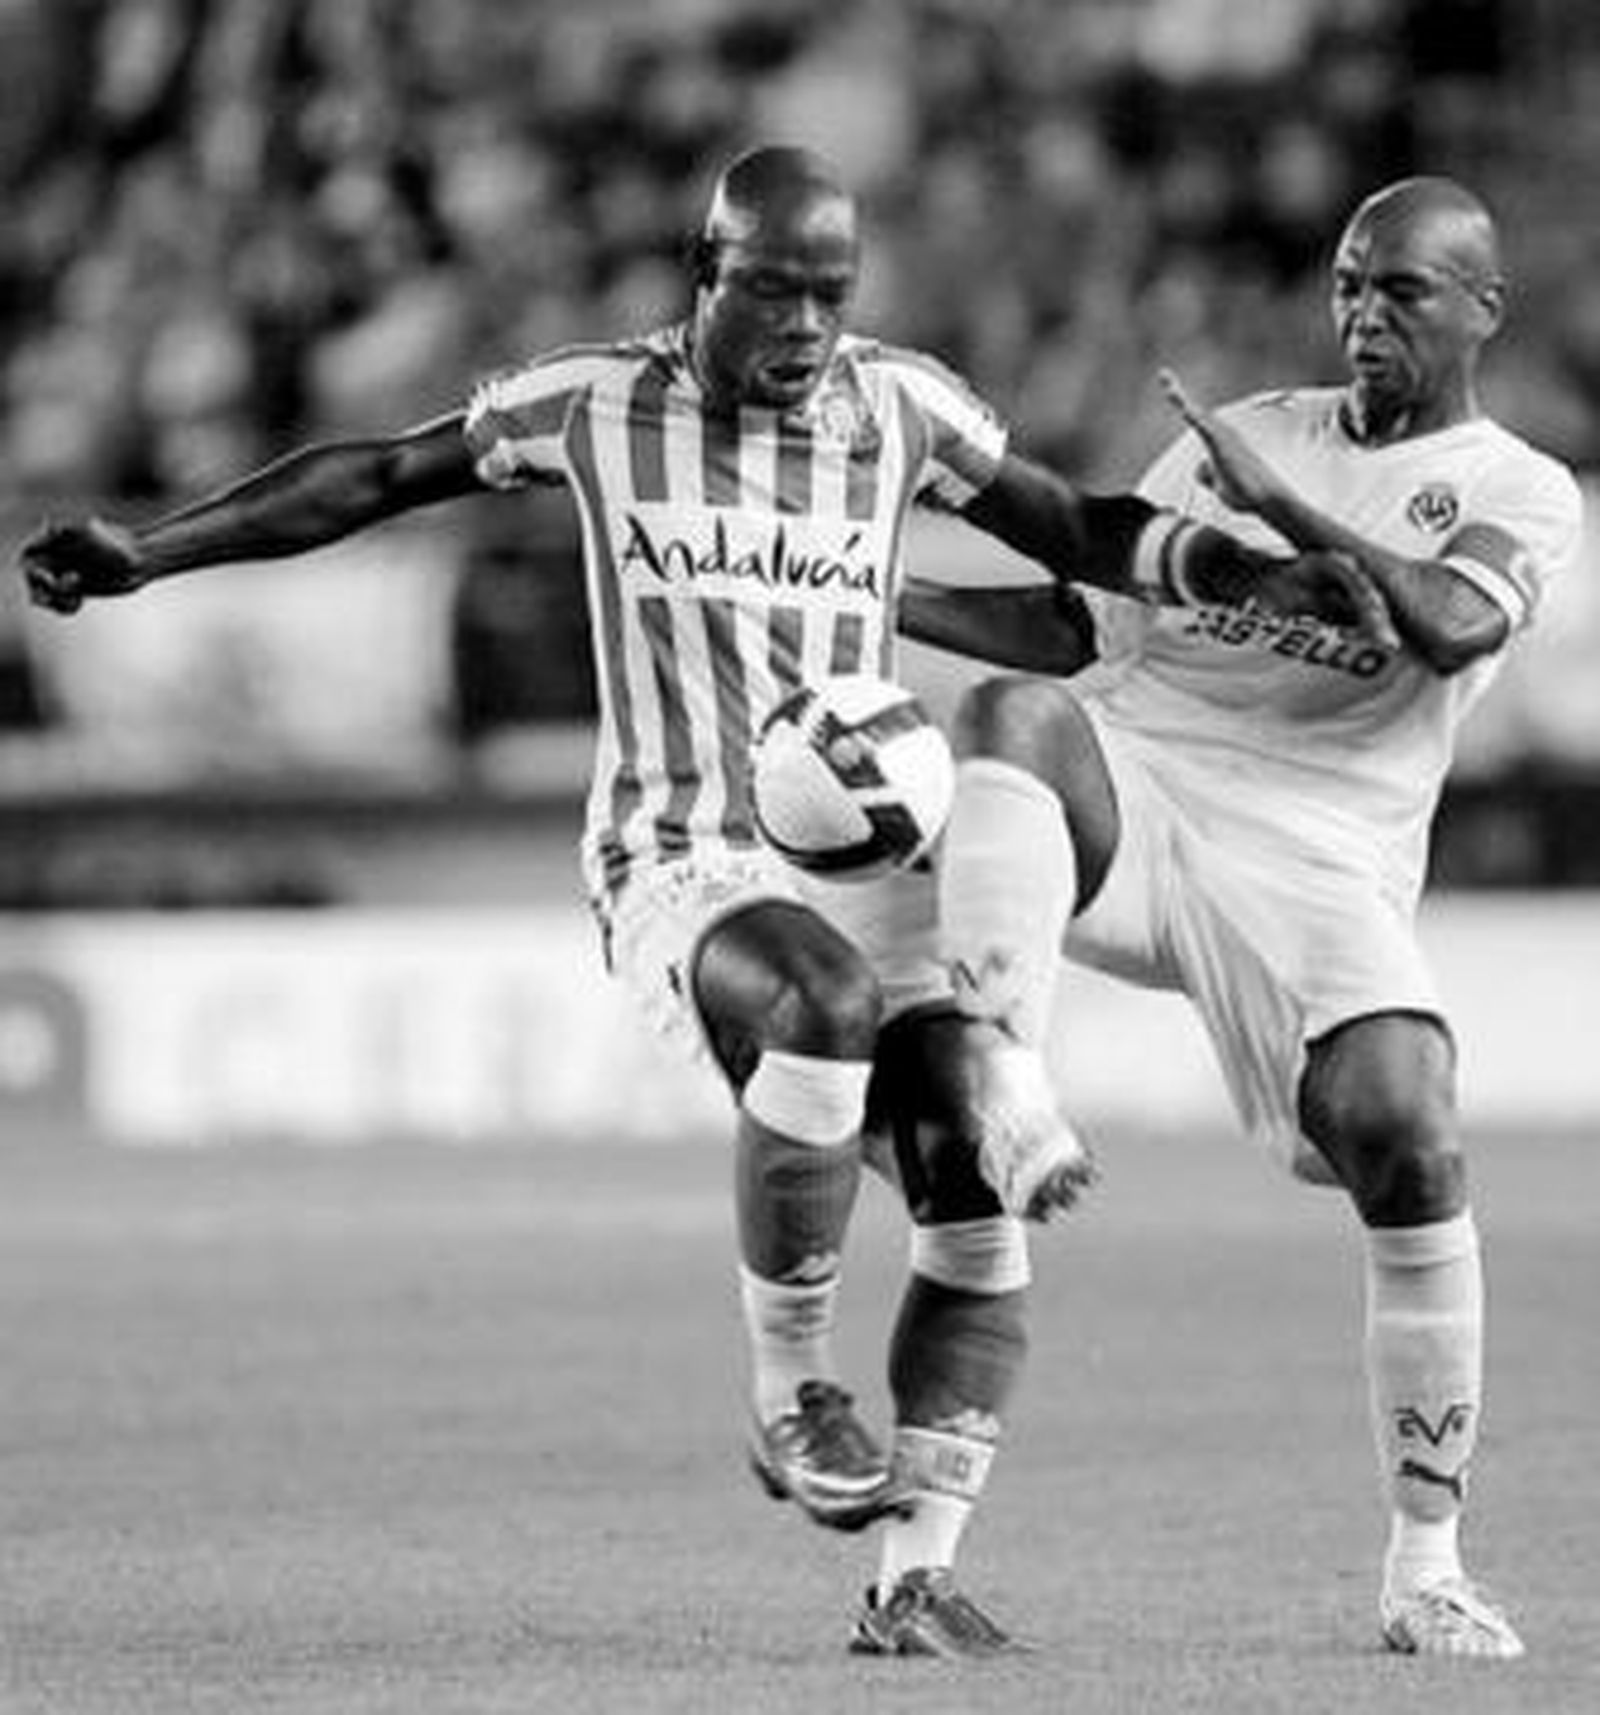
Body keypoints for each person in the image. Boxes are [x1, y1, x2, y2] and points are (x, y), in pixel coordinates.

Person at [20, 144, 1382, 1657]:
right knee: (823, 1001)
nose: (805, 328)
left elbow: (1074, 523)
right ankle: (793, 1389)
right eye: (775, 293)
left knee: (973, 1198)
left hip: (869, 857)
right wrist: (153, 549)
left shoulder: (903, 406)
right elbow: (379, 475)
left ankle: (912, 1584)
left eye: (830, 296)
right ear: (707, 273)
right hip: (682, 853)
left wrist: (1242, 575)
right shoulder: (597, 401)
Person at [905, 176, 1585, 1660]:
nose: (1364, 315)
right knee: (1012, 712)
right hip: (1144, 782)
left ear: (1484, 307)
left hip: (1323, 851)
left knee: (1411, 1131)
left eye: (1402, 289)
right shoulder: (1256, 427)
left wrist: (1278, 508)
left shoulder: (1522, 486)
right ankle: (1002, 1070)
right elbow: (1084, 621)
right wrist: (873, 597)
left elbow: (1449, 624)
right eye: (1348, 283)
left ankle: (1425, 1568)